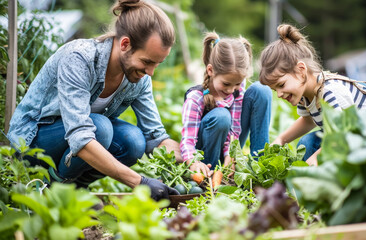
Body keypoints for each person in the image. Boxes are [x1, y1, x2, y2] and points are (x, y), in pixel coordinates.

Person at [7, 0, 180, 200]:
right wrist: (139, 182)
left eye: (157, 64)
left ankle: (76, 189)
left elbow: (155, 137)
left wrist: (190, 159)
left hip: (77, 142)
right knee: (101, 128)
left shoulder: (139, 78)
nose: (150, 72)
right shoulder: (79, 58)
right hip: (31, 143)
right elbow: (81, 136)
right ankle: (56, 193)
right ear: (125, 44)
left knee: (133, 141)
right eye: (147, 62)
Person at [259, 23, 366, 166]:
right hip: (357, 136)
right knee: (307, 143)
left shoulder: (331, 91)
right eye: (274, 90)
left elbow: (344, 133)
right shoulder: (305, 95)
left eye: (281, 85)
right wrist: (281, 140)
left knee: (315, 150)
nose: (279, 94)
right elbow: (308, 121)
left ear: (301, 71)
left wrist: (315, 159)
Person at [180, 31, 272, 177]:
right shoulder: (196, 98)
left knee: (262, 90)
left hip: (229, 148)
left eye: (237, 84)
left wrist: (230, 155)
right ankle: (210, 175)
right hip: (204, 156)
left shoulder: (236, 90)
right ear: (210, 70)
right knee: (222, 116)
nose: (231, 90)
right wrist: (192, 161)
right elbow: (188, 140)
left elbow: (235, 127)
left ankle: (259, 169)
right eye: (226, 83)